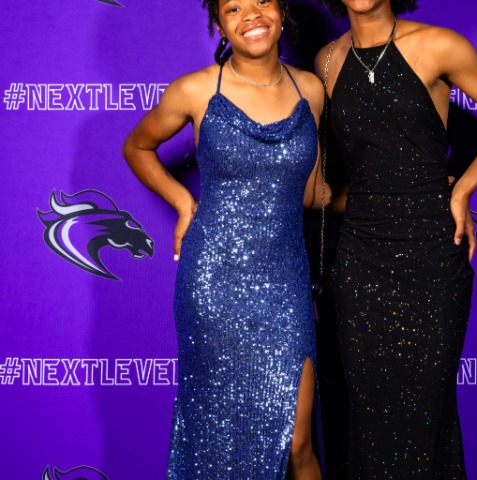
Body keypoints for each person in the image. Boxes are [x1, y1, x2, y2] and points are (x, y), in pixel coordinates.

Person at [314, 0, 477, 477]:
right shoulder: (326, 60)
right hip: (361, 258)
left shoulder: (438, 45)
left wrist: (464, 188)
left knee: (426, 412)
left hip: (431, 252)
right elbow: (339, 174)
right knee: (369, 415)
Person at [122, 0, 327, 477]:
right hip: (214, 282)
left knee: (297, 442)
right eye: (234, 8)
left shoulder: (312, 90)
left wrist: (404, 193)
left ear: (282, 11)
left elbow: (314, 192)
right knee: (217, 438)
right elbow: (137, 146)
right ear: (219, 24)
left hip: (285, 283)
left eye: (262, 1)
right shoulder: (195, 90)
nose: (250, 15)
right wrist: (182, 201)